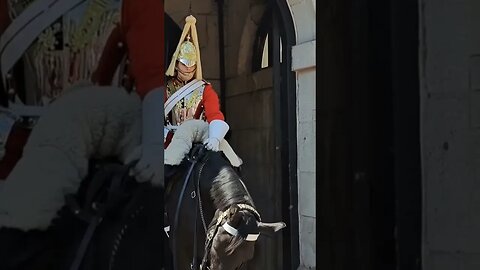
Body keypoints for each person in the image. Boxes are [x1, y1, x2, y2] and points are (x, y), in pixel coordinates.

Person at [163, 15, 229, 152]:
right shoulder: (165, 88)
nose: (188, 68)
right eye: (184, 64)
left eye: (191, 64)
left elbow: (215, 115)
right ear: (176, 64)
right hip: (170, 141)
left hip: (200, 142)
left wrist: (215, 138)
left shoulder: (205, 89)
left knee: (230, 161)